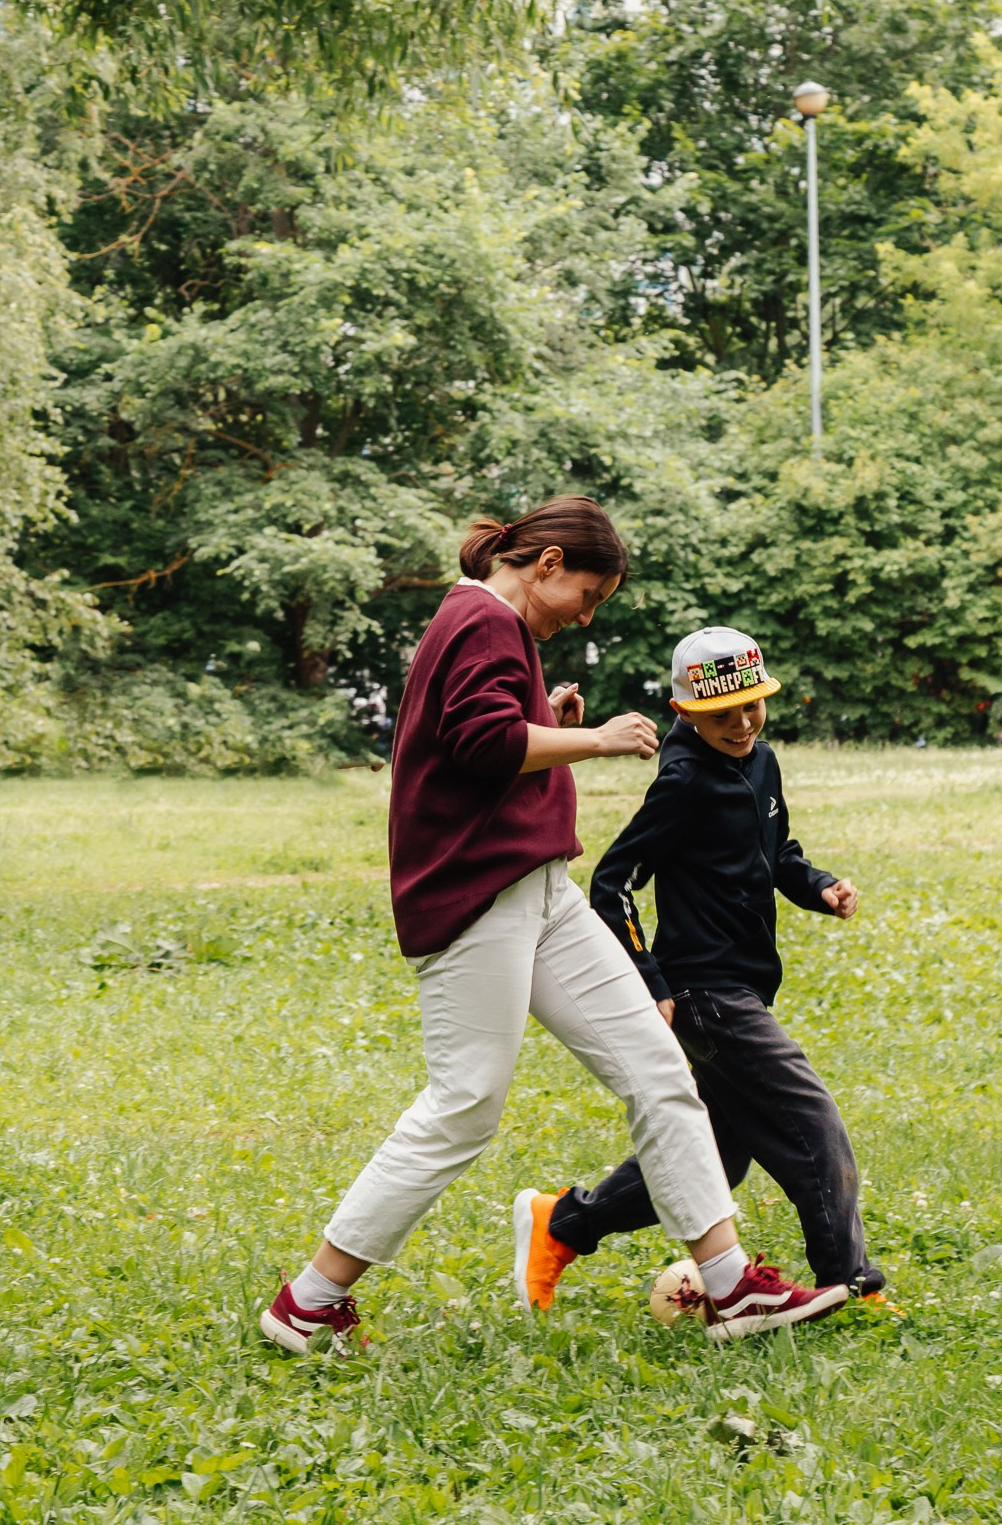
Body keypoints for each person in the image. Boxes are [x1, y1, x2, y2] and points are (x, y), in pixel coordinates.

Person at [260, 499, 846, 1353]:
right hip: (479, 898)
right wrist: (597, 740)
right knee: (465, 1103)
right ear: (547, 564)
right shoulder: (481, 620)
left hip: (543, 891)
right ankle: (310, 1301)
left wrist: (550, 727)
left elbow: (488, 746)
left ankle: (730, 1288)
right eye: (588, 594)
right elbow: (480, 744)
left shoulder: (497, 629)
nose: (586, 615)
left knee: (659, 1070)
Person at [512, 626, 889, 1310]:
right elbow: (613, 881)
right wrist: (650, 979)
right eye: (723, 715)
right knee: (812, 1120)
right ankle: (852, 1284)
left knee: (717, 1156)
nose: (742, 724)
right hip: (707, 992)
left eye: (753, 706)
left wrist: (819, 886)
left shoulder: (761, 762)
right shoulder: (683, 781)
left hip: (744, 985)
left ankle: (564, 1223)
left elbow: (777, 850)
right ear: (685, 711)